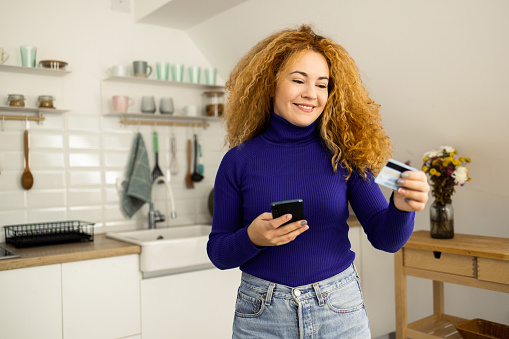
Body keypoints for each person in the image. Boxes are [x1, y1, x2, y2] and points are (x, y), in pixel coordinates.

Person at [207, 25, 430, 338]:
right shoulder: (238, 161)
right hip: (261, 314)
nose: (311, 93)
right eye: (298, 80)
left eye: (322, 85)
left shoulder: (346, 154)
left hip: (338, 309)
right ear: (270, 84)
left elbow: (386, 239)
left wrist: (401, 208)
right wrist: (253, 237)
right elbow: (218, 253)